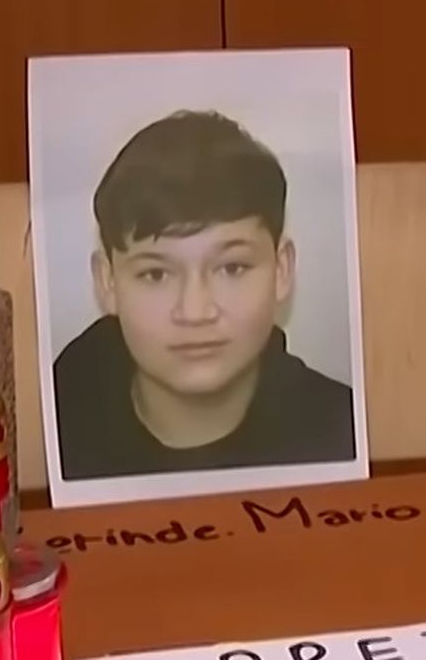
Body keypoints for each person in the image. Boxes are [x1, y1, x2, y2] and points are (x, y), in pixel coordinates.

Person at [53, 110, 356, 480]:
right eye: (156, 274)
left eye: (232, 268)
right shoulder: (47, 422)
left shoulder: (343, 436)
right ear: (108, 282)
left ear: (281, 270)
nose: (195, 312)